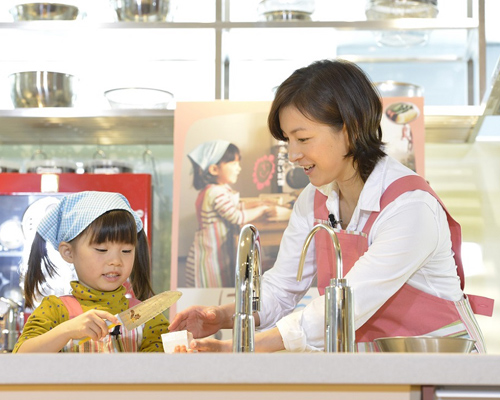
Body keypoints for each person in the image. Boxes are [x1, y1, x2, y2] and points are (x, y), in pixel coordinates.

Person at [170, 59, 493, 353]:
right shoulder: (314, 201)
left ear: (350, 129)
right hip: (370, 364)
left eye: (303, 138)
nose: (292, 154)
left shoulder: (410, 207)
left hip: (438, 362)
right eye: (288, 140)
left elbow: (343, 306)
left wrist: (239, 347)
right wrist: (224, 316)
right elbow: (282, 287)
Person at [13, 191, 169, 353]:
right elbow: (21, 358)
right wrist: (66, 331)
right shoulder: (55, 310)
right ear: (68, 252)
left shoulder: (147, 315)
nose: (116, 261)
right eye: (102, 250)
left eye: (126, 250)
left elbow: (160, 370)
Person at [185, 140, 273, 288]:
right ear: (214, 169)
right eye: (234, 163)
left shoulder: (218, 189)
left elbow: (236, 206)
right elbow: (236, 216)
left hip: (216, 251)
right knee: (212, 288)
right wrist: (262, 210)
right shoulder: (215, 192)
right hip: (211, 255)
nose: (238, 168)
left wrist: (258, 203)